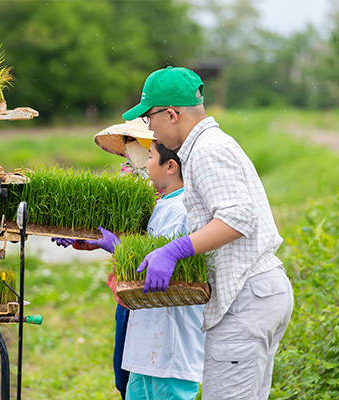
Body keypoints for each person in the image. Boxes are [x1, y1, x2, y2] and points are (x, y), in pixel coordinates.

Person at [120, 66, 294, 400]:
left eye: (149, 119)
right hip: (258, 291)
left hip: (245, 297)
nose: (149, 128)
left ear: (171, 114)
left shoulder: (206, 151)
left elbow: (237, 218)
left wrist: (173, 251)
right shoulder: (209, 146)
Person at [75, 140, 205, 400]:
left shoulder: (183, 210)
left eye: (150, 157)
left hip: (170, 350)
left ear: (170, 166)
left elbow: (164, 271)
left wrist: (120, 249)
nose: (144, 164)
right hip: (145, 346)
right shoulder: (160, 205)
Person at [54, 119, 155, 399]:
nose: (128, 156)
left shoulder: (169, 195)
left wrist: (119, 245)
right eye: (126, 149)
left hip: (156, 293)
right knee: (124, 375)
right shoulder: (130, 181)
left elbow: (156, 245)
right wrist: (88, 240)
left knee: (149, 374)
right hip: (127, 290)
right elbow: (121, 232)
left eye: (135, 147)